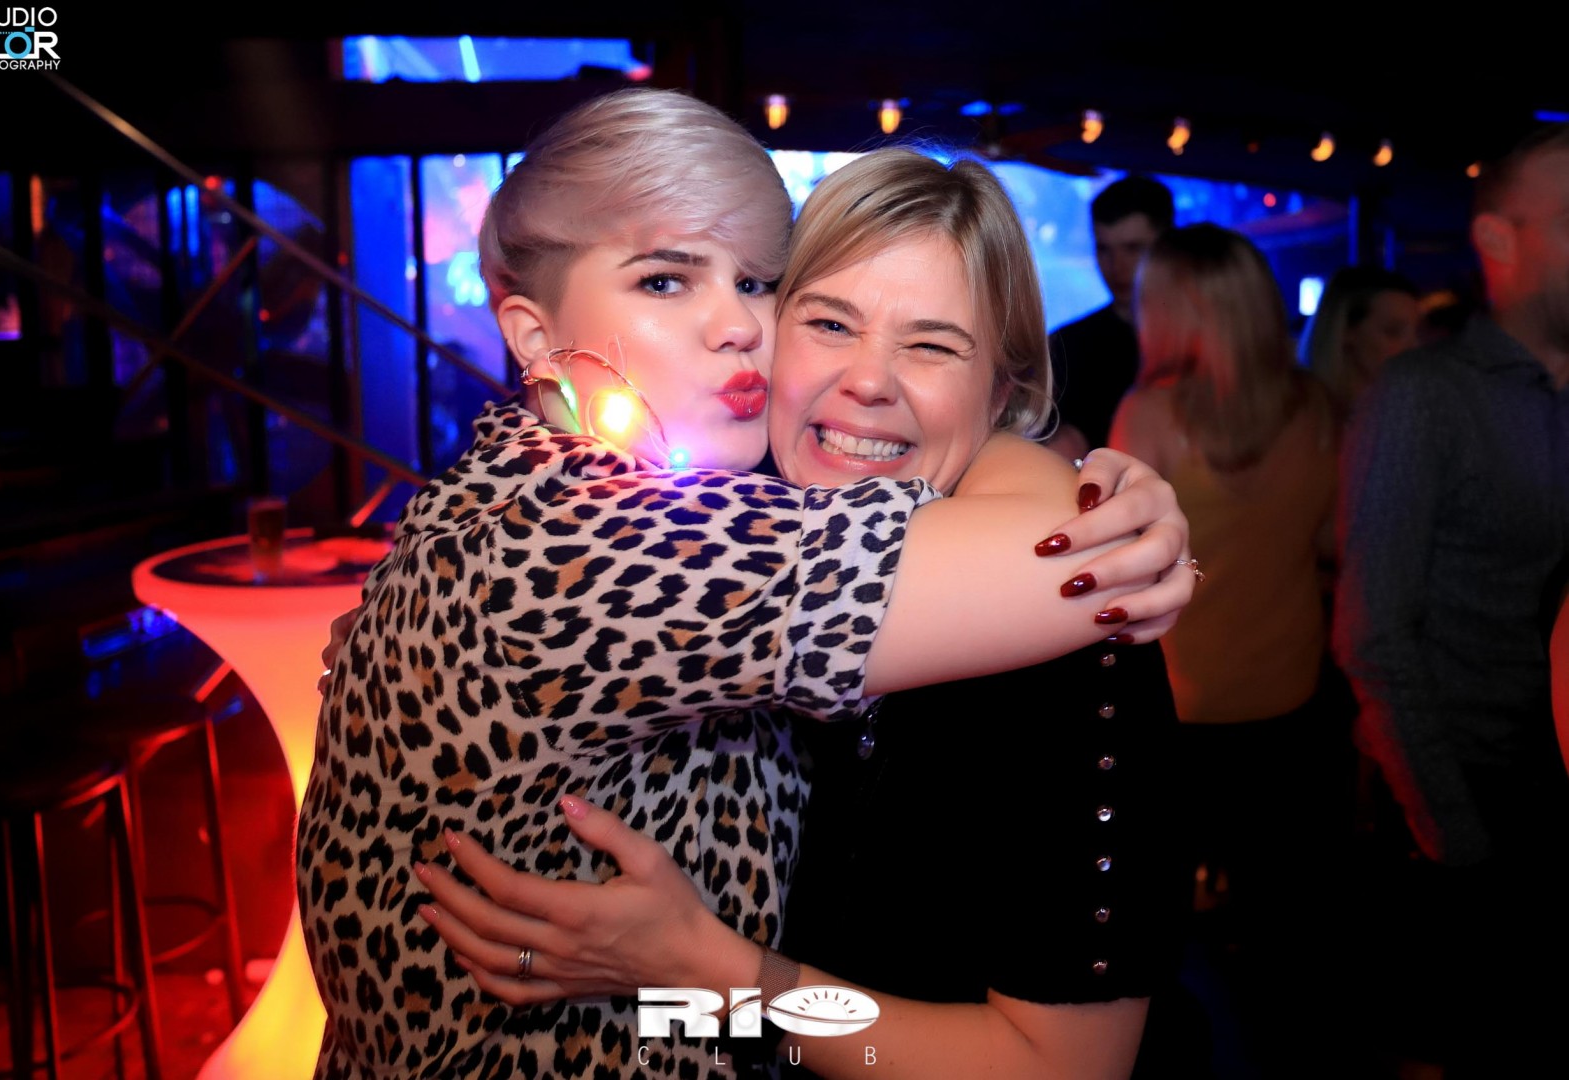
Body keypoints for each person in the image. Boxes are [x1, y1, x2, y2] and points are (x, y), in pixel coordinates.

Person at [297, 91, 1194, 1080]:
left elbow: (1060, 1072)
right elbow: (638, 1019)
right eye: (828, 321)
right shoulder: (650, 545)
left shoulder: (1069, 661)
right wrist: (711, 985)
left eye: (933, 344)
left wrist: (722, 979)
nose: (867, 380)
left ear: (1005, 389)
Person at [1333, 123, 1569, 1078]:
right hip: (1474, 799)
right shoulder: (1424, 394)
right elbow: (1373, 634)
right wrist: (1454, 835)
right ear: (1500, 241)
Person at [1109, 223, 1349, 1077]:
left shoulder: (1150, 416)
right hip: (1290, 694)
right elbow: (1330, 545)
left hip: (1182, 704)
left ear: (1171, 312)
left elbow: (1117, 569)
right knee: (1288, 927)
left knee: (1153, 926)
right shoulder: (1316, 408)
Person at [1044, 174, 1176, 460]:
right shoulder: (1067, 345)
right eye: (1104, 249)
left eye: (1133, 249)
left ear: (1167, 248)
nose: (1117, 266)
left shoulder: (1199, 341)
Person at [1297, 264, 1421, 412]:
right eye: (1393, 331)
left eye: (1417, 332)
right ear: (1346, 331)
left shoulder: (1407, 411)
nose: (1414, 347)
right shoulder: (1307, 414)